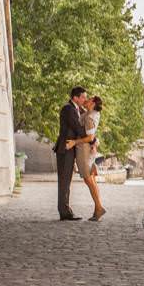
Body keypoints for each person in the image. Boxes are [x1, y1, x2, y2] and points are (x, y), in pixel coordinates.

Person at [53, 86, 89, 220]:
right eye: (83, 97)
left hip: (70, 148)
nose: (85, 99)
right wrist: (92, 140)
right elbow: (78, 127)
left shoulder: (77, 109)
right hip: (65, 148)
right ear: (75, 97)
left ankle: (65, 210)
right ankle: (64, 212)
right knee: (64, 181)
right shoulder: (68, 109)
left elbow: (86, 119)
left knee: (66, 181)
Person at [73, 95, 107, 222]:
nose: (86, 100)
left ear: (93, 102)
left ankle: (99, 208)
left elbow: (90, 137)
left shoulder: (90, 116)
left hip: (84, 151)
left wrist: (74, 142)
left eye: (89, 98)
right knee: (91, 180)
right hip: (87, 150)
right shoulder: (91, 113)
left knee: (89, 180)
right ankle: (97, 208)